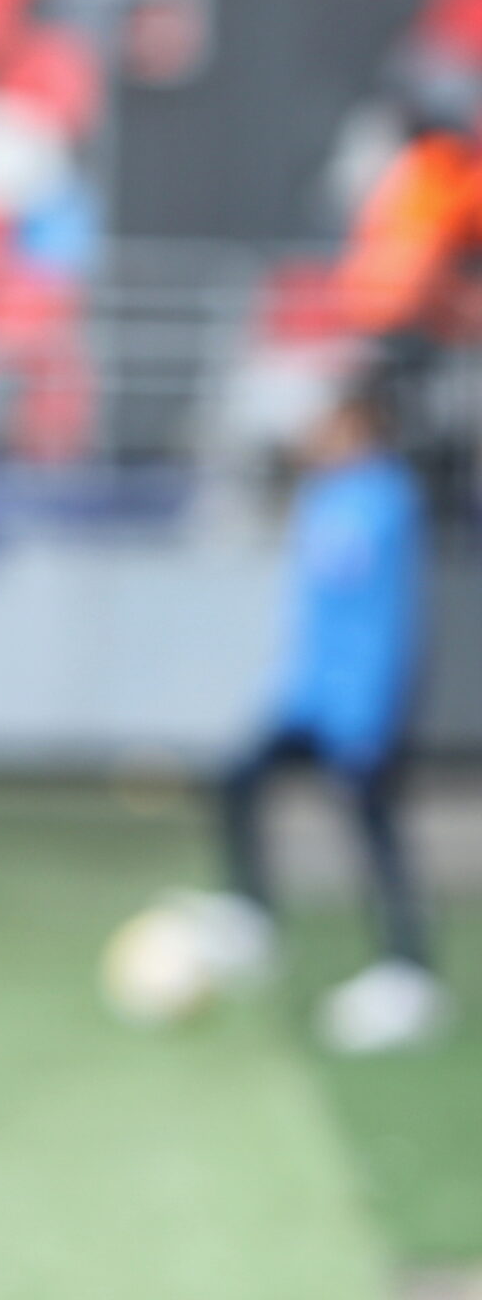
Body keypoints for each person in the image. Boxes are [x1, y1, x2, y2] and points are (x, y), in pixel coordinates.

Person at [217, 382, 446, 1054]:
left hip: (366, 704)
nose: (315, 434)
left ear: (362, 427)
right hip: (309, 697)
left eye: (330, 423)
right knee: (237, 779)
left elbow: (383, 614)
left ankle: (409, 975)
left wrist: (370, 719)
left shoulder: (387, 498)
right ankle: (253, 919)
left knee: (374, 829)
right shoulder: (323, 494)